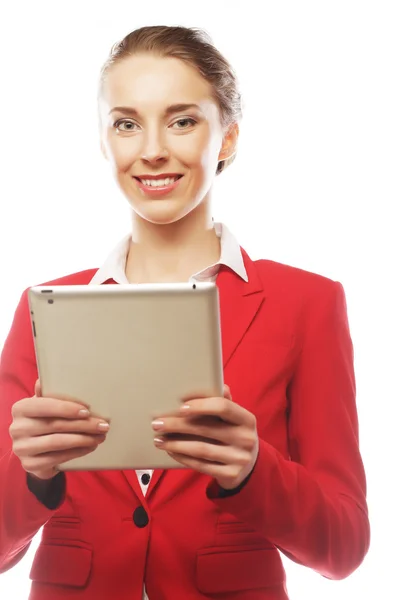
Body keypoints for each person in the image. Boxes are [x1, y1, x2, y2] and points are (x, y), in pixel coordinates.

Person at [0, 25, 369, 600]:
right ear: (105, 142)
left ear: (227, 138)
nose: (151, 149)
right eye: (126, 123)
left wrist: (255, 469)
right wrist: (34, 476)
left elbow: (344, 548)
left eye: (182, 120)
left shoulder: (308, 304)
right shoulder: (44, 309)